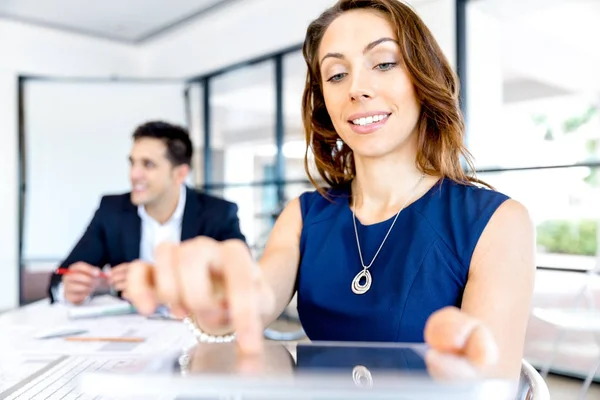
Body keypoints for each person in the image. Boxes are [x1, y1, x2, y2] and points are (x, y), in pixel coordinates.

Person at [124, 0, 535, 381]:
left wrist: (458, 377)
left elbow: (490, 383)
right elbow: (257, 298)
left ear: (422, 77)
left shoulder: (497, 221)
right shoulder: (306, 214)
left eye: (384, 63)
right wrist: (220, 299)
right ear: (325, 101)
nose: (357, 88)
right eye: (337, 74)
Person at [47, 121, 246, 305]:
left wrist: (155, 281)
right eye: (132, 163)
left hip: (197, 332)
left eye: (148, 164)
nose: (134, 174)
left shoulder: (218, 213)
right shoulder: (112, 211)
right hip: (133, 332)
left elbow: (242, 281)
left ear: (180, 174)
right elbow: (60, 276)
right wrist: (69, 288)